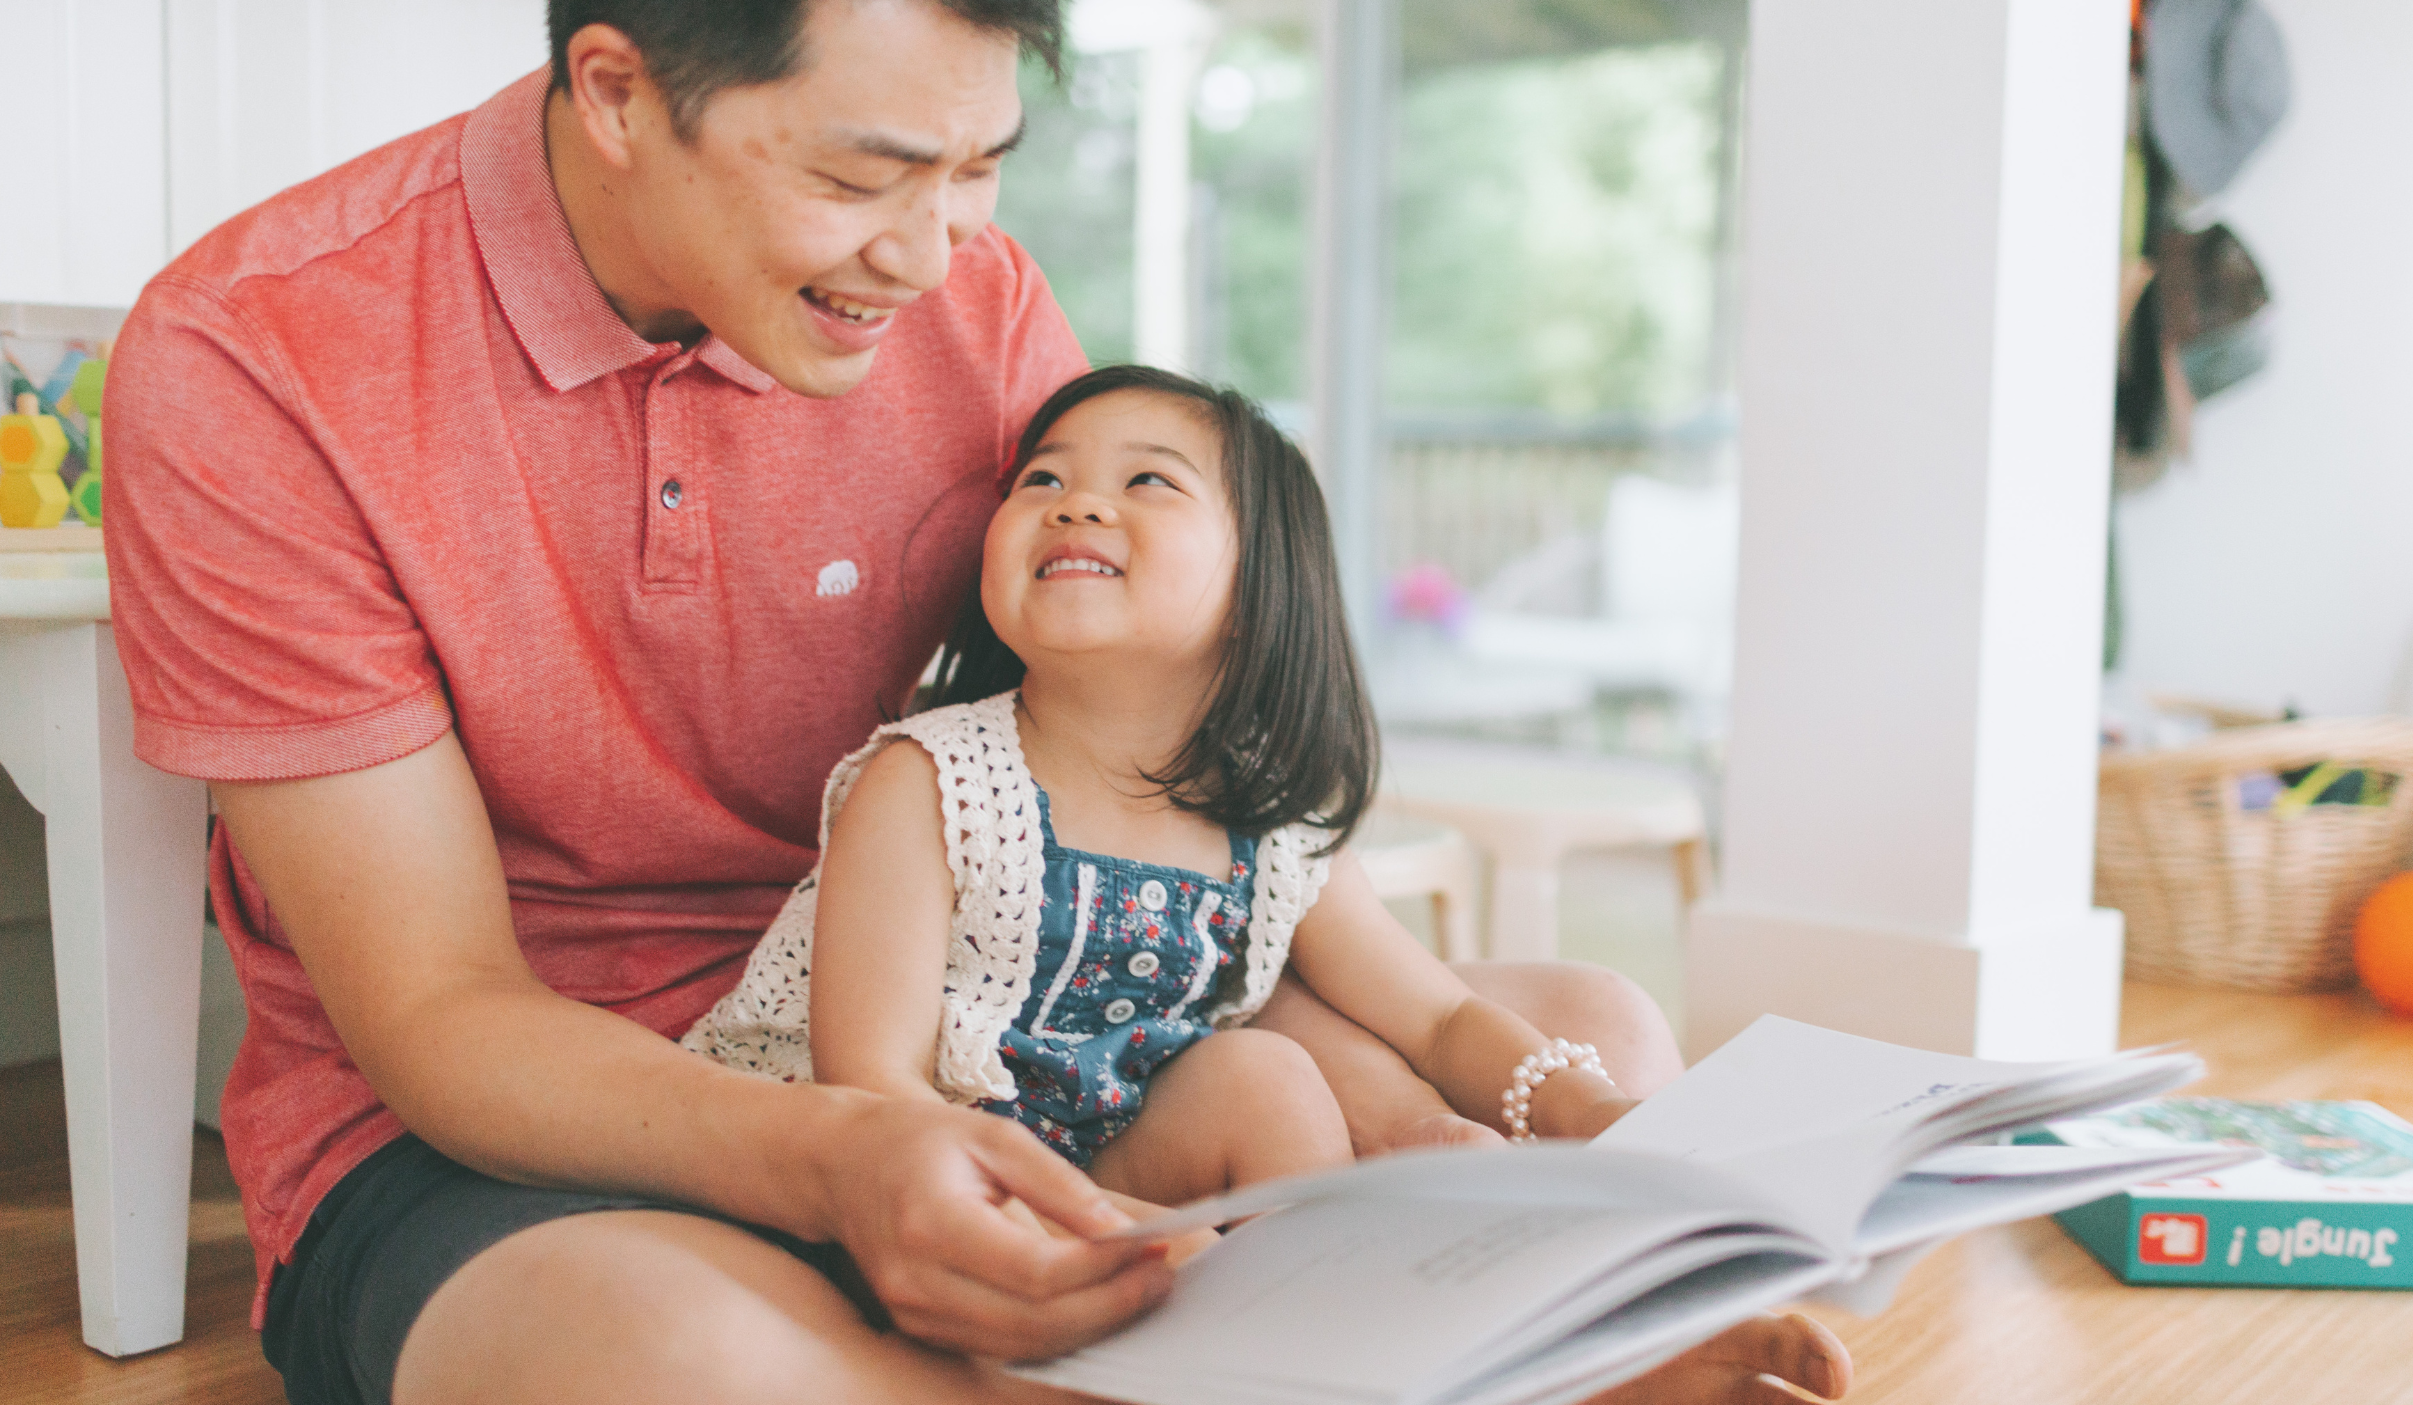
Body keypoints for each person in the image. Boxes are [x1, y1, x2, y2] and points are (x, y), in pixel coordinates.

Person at [99, 1, 1853, 1401]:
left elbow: (1128, 756)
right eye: (866, 178)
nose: (936, 260)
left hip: (993, 1024)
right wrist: (850, 1156)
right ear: (619, 93)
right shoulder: (255, 361)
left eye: (982, 170)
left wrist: (1425, 1101)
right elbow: (443, 1018)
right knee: (683, 1364)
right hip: (537, 1129)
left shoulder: (976, 306)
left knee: (1591, 1032)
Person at [688, 365, 1649, 1208]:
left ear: (1259, 583)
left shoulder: (1274, 826)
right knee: (1264, 1106)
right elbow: (872, 1086)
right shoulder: (930, 784)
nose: (1075, 504)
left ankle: (1351, 1327)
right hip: (905, 1170)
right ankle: (1280, 1330)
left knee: (1262, 1080)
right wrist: (1090, 1228)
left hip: (1108, 1158)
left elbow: (1437, 1019)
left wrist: (1592, 1110)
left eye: (1146, 479)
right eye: (1041, 479)